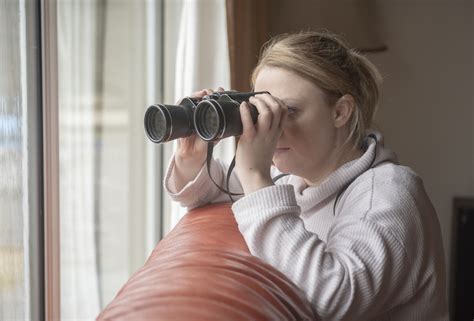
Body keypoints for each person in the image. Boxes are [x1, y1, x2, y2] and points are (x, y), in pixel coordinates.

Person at [164, 31, 448, 321]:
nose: (271, 126)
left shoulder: (390, 193)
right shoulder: (295, 177)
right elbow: (210, 191)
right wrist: (191, 155)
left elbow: (330, 299)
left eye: (287, 111)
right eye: (262, 110)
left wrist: (253, 172)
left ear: (340, 112)